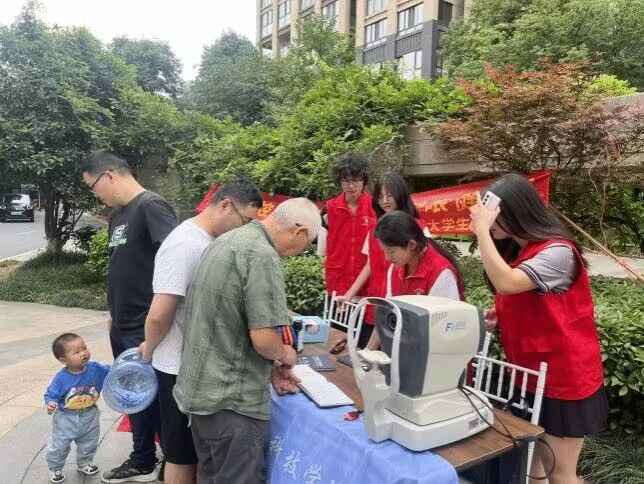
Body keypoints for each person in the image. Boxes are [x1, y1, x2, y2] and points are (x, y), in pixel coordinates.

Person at [468, 173, 607, 484]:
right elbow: (523, 296)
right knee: (533, 469)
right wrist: (503, 314)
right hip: (531, 376)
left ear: (517, 213)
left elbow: (507, 282)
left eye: (494, 215)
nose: (489, 222)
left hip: (564, 380)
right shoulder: (520, 250)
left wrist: (482, 232)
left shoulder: (558, 252)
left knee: (561, 474)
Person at [173, 198, 321, 484]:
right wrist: (285, 354)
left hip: (202, 394)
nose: (300, 252)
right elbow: (264, 340)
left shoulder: (227, 240)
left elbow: (228, 323)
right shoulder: (262, 255)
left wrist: (271, 368)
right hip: (232, 402)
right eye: (306, 245)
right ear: (299, 231)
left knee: (211, 476)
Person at [136, 179, 263, 484]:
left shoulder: (210, 241)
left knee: (195, 454)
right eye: (245, 221)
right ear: (224, 205)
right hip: (177, 368)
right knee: (180, 455)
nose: (245, 230)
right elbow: (160, 314)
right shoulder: (184, 244)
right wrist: (149, 349)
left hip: (198, 368)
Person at [81, 150, 177, 482]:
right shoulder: (118, 216)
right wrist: (114, 315)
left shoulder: (151, 207)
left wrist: (157, 325)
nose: (96, 195)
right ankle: (142, 457)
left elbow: (175, 263)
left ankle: (173, 460)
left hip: (147, 325)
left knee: (159, 397)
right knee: (133, 396)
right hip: (122, 324)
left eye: (93, 187)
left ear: (108, 175)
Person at [338, 173, 429, 347]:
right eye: (380, 197)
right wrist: (350, 294)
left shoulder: (417, 228)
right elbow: (370, 264)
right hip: (377, 300)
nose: (385, 201)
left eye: (390, 195)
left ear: (400, 195)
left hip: (404, 303)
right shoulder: (375, 228)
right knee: (368, 351)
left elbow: (426, 264)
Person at [364, 210, 464, 349]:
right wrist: (367, 352)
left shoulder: (441, 273)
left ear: (412, 245)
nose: (387, 258)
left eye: (391, 251)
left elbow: (446, 329)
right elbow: (387, 314)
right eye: (384, 251)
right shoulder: (395, 269)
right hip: (409, 349)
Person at [44, 333, 111, 483]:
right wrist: (51, 403)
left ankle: (84, 462)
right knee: (59, 444)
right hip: (66, 417)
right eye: (77, 352)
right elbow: (51, 394)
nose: (83, 353)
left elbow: (113, 371)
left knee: (90, 440)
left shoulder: (96, 368)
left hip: (90, 413)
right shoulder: (61, 378)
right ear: (63, 360)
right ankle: (55, 467)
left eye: (84, 348)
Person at [324, 152, 376, 296]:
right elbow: (322, 245)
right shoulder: (330, 208)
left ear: (364, 180)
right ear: (339, 182)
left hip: (367, 279)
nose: (351, 186)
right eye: (345, 181)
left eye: (356, 180)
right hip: (338, 280)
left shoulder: (375, 206)